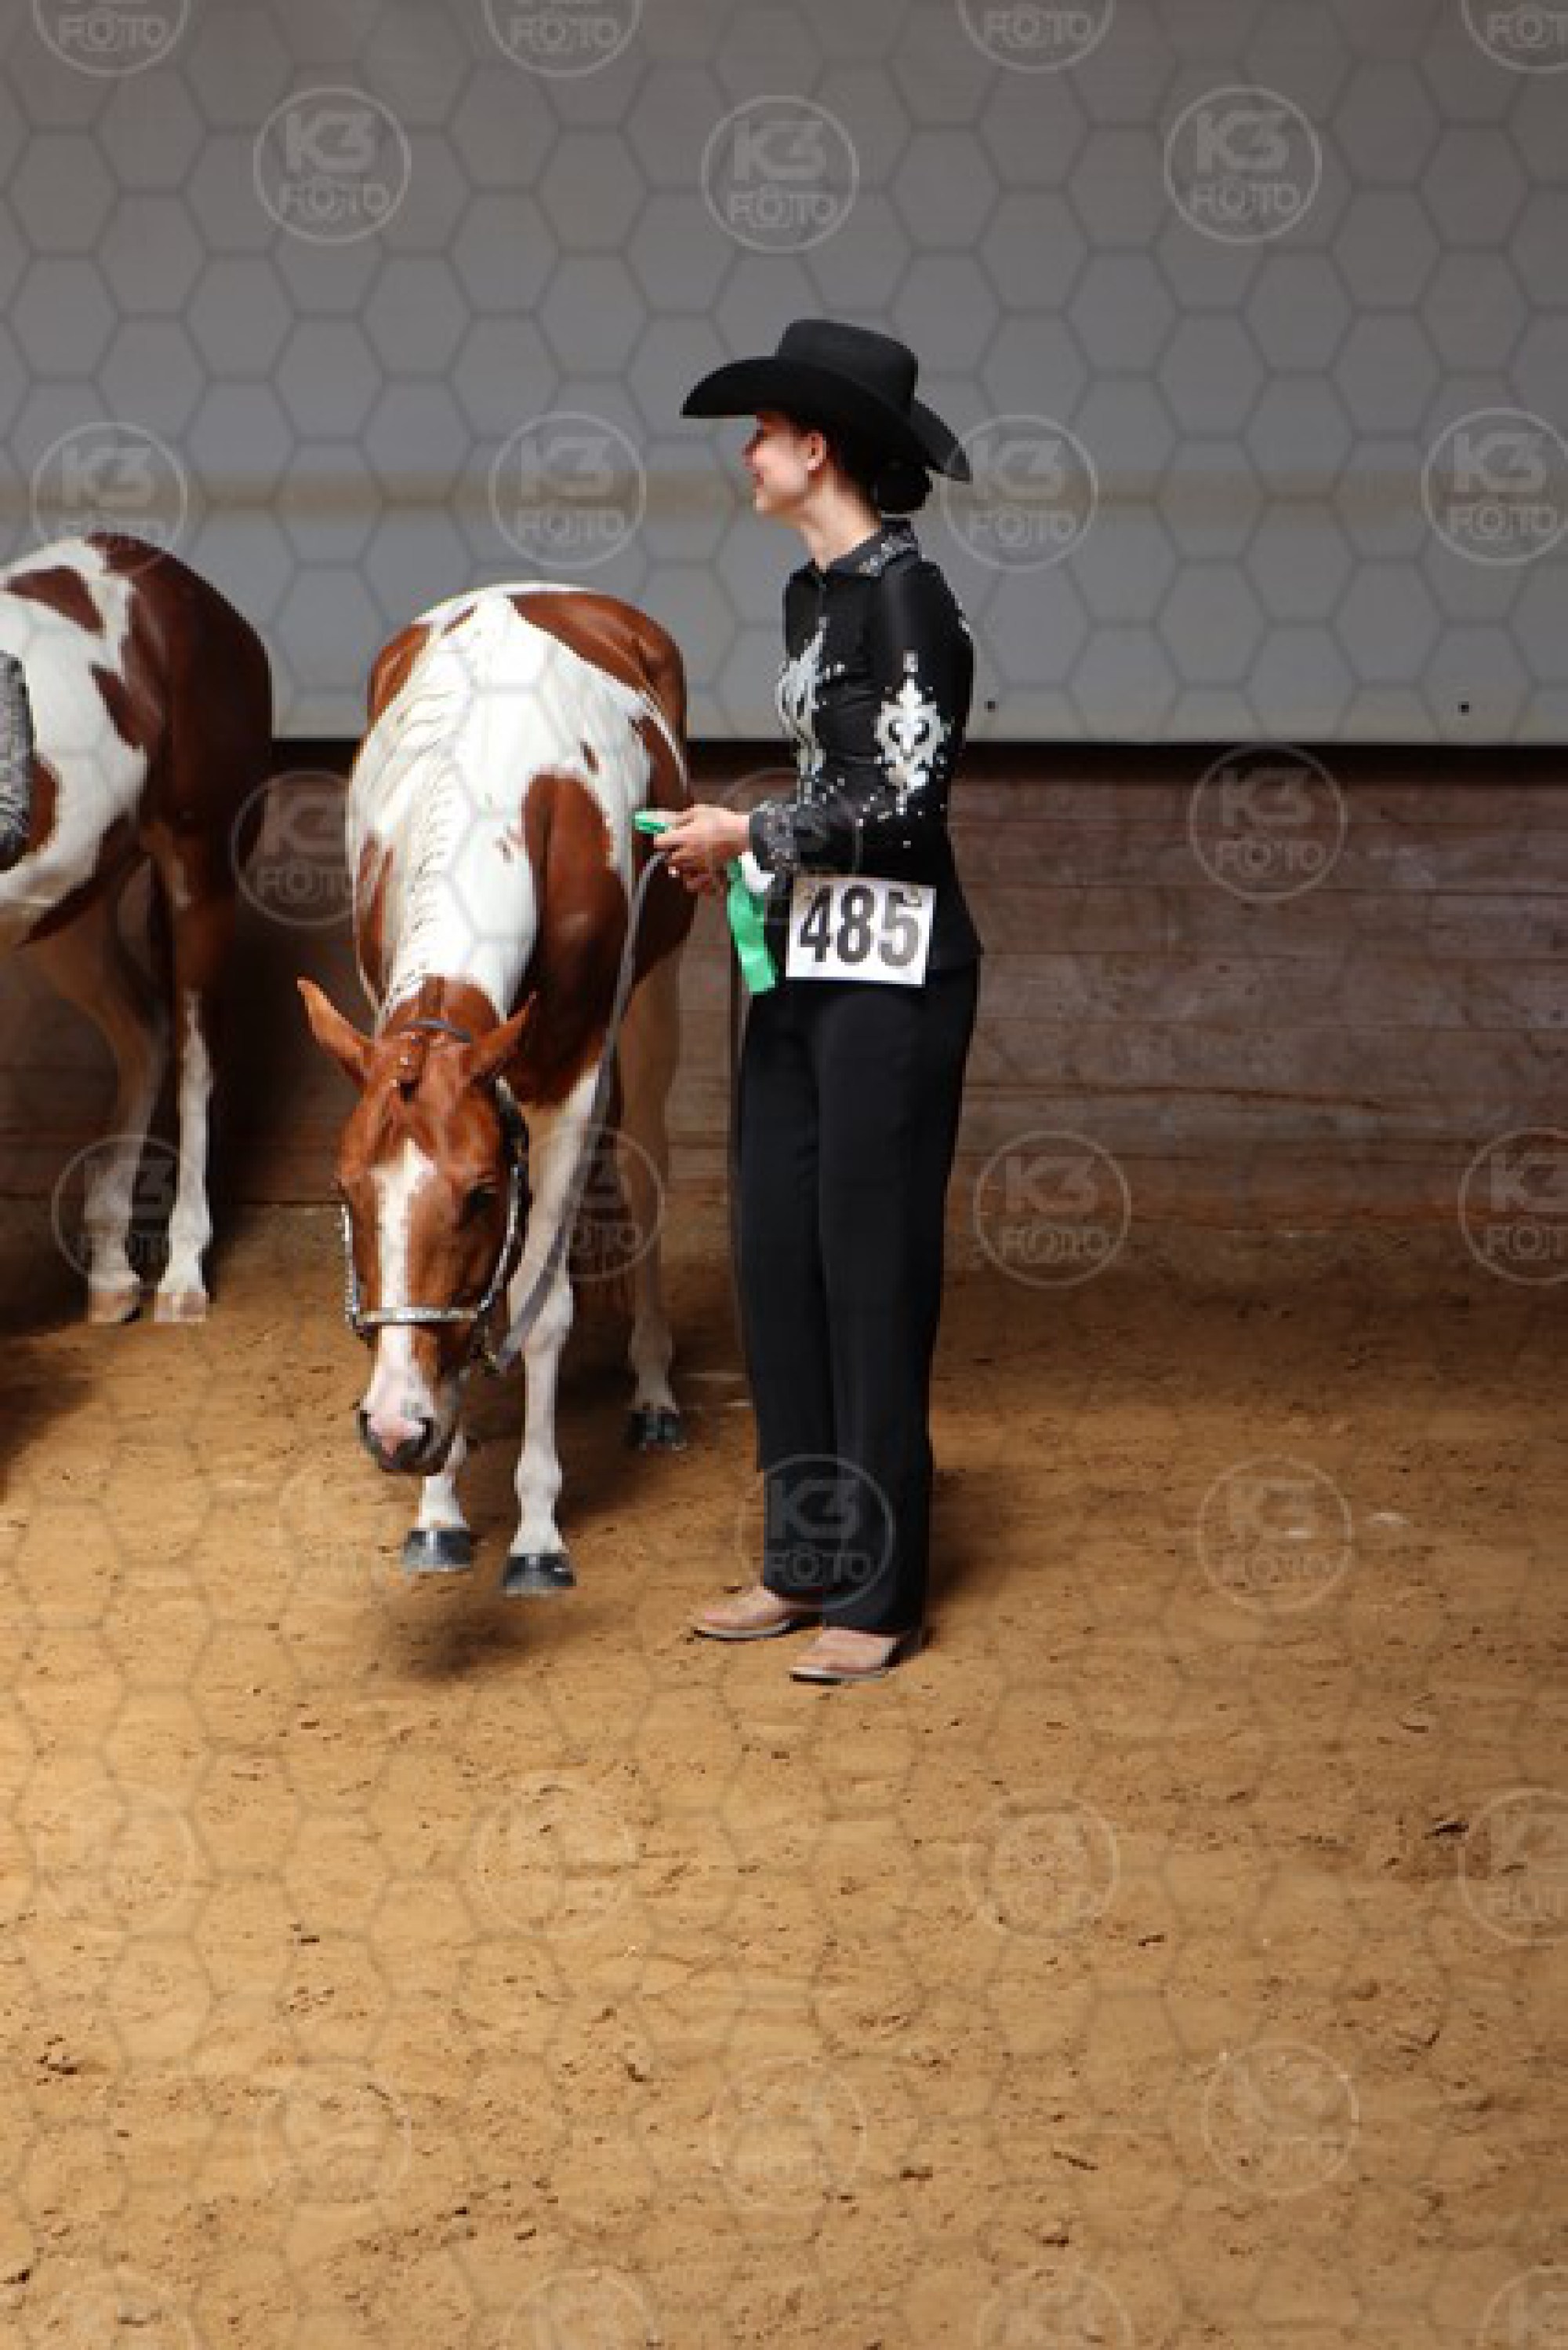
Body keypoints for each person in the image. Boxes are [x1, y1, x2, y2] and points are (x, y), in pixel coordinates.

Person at [662, 318, 982, 1684]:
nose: (746, 454)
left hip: (897, 981)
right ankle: (803, 1557)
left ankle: (880, 1587)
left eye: (762, 434)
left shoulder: (910, 602)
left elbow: (907, 810)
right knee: (776, 1255)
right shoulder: (814, 596)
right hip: (807, 962)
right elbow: (832, 786)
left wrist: (750, 830)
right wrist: (746, 852)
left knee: (870, 1265)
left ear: (816, 448)